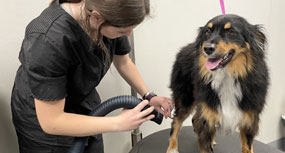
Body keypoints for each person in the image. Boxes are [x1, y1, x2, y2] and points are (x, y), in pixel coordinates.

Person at [10, 0, 174, 153]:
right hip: (42, 117)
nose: (128, 35)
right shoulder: (48, 39)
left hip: (83, 102)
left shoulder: (106, 14)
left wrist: (148, 95)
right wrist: (118, 123)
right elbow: (51, 122)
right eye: (123, 31)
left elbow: (123, 61)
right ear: (96, 18)